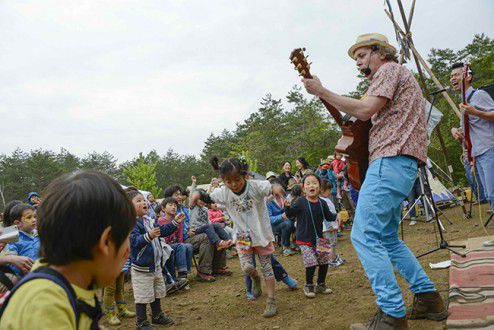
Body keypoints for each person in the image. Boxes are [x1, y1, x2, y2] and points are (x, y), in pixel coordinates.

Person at [302, 33, 447, 328]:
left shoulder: (390, 70)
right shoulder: (395, 78)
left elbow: (364, 109)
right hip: (401, 165)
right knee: (388, 239)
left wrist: (322, 90)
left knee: (364, 236)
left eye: (362, 55)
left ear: (381, 53)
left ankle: (392, 314)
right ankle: (428, 297)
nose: (358, 62)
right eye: (356, 58)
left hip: (390, 161)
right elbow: (362, 115)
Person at [0, 171, 136, 329]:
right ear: (106, 242)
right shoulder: (46, 307)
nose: (128, 250)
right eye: (128, 237)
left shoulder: (70, 286)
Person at [209, 156, 278, 318]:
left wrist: (276, 188)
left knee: (267, 267)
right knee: (247, 267)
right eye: (228, 181)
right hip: (241, 236)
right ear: (223, 180)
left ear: (244, 175)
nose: (233, 184)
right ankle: (255, 277)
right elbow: (207, 198)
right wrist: (197, 194)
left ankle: (271, 300)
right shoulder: (224, 192)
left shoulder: (255, 187)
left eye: (237, 179)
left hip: (261, 234)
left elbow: (272, 186)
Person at [128, 187, 184, 329]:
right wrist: (148, 236)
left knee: (156, 291)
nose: (144, 202)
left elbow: (162, 231)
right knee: (143, 295)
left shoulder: (149, 220)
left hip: (155, 265)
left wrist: (175, 223)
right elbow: (133, 241)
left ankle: (157, 315)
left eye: (144, 199)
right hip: (142, 267)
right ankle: (141, 322)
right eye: (139, 201)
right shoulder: (131, 224)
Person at [450, 62, 494, 212]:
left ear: (468, 76)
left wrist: (476, 112)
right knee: (488, 195)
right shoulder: (464, 102)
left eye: (456, 75)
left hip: (489, 149)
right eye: (451, 76)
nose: (452, 79)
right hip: (477, 154)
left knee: (493, 194)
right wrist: (456, 130)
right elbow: (468, 128)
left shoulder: (479, 95)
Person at [285, 174, 335, 298]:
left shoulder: (322, 203)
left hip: (320, 238)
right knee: (311, 263)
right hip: (304, 239)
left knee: (324, 261)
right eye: (308, 183)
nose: (311, 185)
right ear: (303, 188)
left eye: (314, 183)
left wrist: (337, 215)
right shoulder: (300, 201)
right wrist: (287, 207)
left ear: (319, 186)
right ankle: (308, 285)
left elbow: (329, 216)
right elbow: (291, 214)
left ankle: (321, 284)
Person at [157, 197, 193, 282]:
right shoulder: (160, 221)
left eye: (175, 205)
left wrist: (181, 244)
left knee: (188, 246)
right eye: (170, 205)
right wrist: (180, 245)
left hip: (177, 245)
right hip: (166, 245)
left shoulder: (178, 219)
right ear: (163, 208)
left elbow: (180, 235)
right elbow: (163, 237)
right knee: (181, 246)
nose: (174, 207)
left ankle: (184, 273)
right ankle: (182, 274)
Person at [1, 203, 40, 277]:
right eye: (29, 217)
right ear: (18, 223)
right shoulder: (13, 240)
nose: (34, 220)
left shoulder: (39, 234)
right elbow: (11, 264)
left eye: (35, 216)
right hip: (27, 278)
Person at [266, 183, 296, 256]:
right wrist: (281, 216)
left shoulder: (286, 199)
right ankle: (286, 247)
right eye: (276, 190)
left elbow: (291, 213)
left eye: (280, 190)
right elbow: (270, 219)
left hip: (288, 222)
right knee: (287, 223)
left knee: (296, 222)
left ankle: (297, 245)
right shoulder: (269, 202)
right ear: (272, 191)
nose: (279, 192)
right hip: (275, 226)